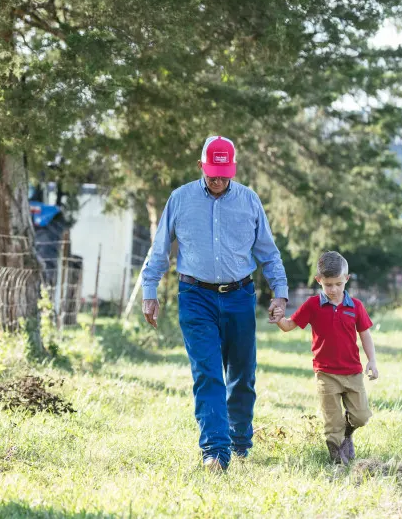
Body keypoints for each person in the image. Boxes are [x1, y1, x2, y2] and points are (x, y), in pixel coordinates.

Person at [141, 135, 288, 472]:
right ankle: (214, 453)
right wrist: (150, 291)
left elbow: (268, 252)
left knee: (242, 376)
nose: (219, 181)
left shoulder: (249, 201)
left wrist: (280, 292)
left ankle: (239, 443)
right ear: (200, 167)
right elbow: (159, 248)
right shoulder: (180, 199)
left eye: (225, 175)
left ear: (233, 170)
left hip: (240, 296)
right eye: (213, 175)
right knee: (208, 374)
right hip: (195, 297)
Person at [274, 251, 378, 465]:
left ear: (346, 279)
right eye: (328, 284)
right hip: (326, 374)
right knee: (332, 422)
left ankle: (347, 432)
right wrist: (278, 318)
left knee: (362, 416)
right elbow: (288, 326)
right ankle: (338, 462)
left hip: (353, 372)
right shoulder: (312, 305)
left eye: (338, 284)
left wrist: (372, 361)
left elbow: (365, 334)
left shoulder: (355, 306)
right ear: (318, 280)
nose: (333, 290)